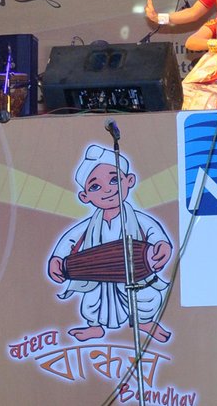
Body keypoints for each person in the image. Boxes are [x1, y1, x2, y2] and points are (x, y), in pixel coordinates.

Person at [47, 144, 174, 344]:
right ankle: (95, 327)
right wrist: (57, 258)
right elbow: (70, 238)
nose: (107, 189)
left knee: (147, 297)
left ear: (129, 181)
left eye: (114, 180)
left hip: (134, 271)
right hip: (99, 274)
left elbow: (154, 232)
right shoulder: (89, 225)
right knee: (92, 300)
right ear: (84, 197)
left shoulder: (138, 218)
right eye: (95, 187)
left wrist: (162, 246)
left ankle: (145, 322)